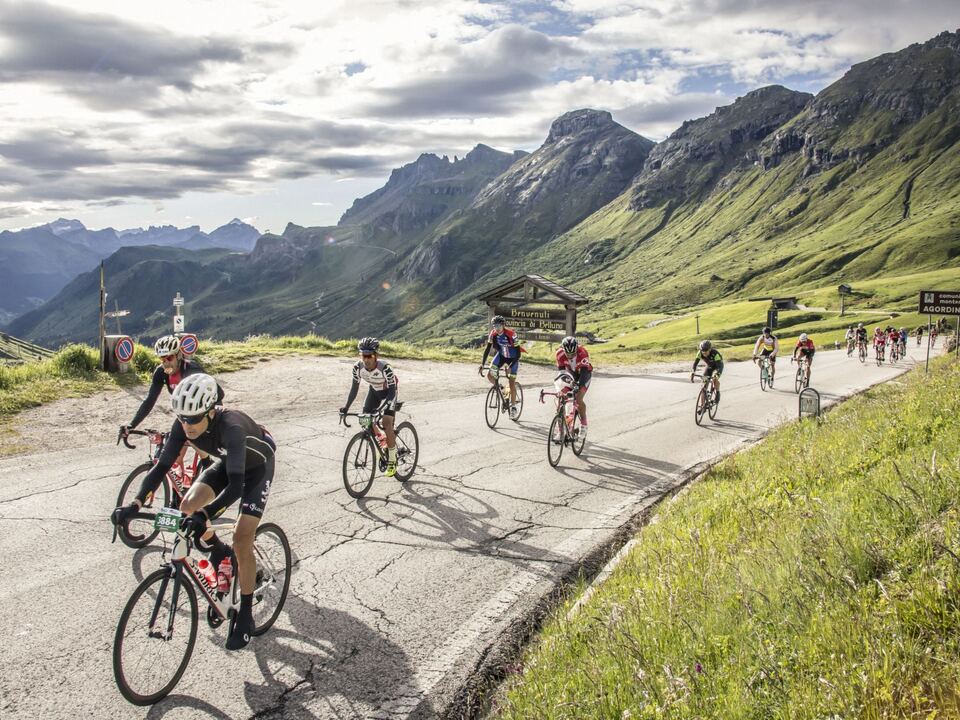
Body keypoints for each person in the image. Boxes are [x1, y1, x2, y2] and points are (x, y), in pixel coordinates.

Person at [111, 373, 276, 651]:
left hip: (257, 467)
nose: (186, 425)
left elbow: (236, 486)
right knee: (187, 507)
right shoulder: (183, 424)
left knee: (241, 537)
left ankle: (245, 614)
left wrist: (207, 514)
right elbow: (161, 467)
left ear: (211, 412)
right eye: (182, 418)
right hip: (230, 462)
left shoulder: (232, 427)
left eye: (193, 419)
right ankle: (219, 552)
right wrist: (135, 504)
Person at [119, 335, 222, 440]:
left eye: (169, 358)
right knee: (173, 449)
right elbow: (150, 400)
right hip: (184, 414)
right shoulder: (161, 372)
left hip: (202, 413)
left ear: (179, 355)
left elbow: (218, 392)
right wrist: (132, 425)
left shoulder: (191, 369)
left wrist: (215, 416)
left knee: (191, 442)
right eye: (162, 359)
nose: (166, 363)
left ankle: (205, 457)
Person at [340, 337, 400, 477]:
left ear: (376, 356)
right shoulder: (357, 368)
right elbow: (354, 389)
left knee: (386, 422)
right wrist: (346, 408)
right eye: (363, 356)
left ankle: (392, 459)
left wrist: (384, 409)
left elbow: (392, 391)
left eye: (369, 356)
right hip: (374, 392)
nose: (366, 359)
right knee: (366, 420)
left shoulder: (385, 368)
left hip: (389, 394)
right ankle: (382, 441)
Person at [479, 315, 523, 420]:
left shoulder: (511, 334)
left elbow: (518, 354)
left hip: (513, 359)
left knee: (512, 382)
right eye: (494, 326)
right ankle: (502, 389)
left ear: (503, 325)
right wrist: (482, 364)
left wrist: (510, 366)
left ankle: (513, 408)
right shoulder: (493, 334)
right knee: (490, 375)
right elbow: (487, 349)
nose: (497, 328)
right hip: (502, 356)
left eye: (499, 325)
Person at [555, 336, 593, 438]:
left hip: (584, 375)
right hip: (570, 375)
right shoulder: (559, 354)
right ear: (563, 349)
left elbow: (584, 373)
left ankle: (583, 424)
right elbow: (562, 373)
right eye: (568, 354)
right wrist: (569, 384)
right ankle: (561, 430)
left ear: (576, 348)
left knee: (579, 399)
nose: (570, 356)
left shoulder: (582, 352)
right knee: (561, 398)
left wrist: (578, 386)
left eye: (573, 353)